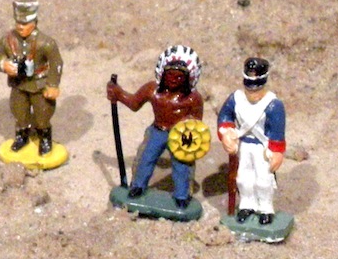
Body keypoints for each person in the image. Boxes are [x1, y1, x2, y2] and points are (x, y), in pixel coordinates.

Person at [106, 45, 205, 208]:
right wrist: (118, 93)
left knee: (182, 165)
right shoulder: (152, 90)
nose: (174, 79)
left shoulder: (193, 99)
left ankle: (182, 195)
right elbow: (134, 103)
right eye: (170, 75)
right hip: (158, 130)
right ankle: (138, 186)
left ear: (189, 78)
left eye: (179, 77)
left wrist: (188, 135)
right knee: (145, 158)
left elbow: (197, 123)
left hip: (180, 136)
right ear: (162, 73)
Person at [0, 0, 64, 155]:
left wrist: (53, 85)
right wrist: (3, 65)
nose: (20, 27)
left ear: (34, 22)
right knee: (19, 112)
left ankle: (44, 139)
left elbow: (57, 63)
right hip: (18, 85)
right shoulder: (7, 40)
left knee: (43, 114)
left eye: (25, 23)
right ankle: (22, 136)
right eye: (18, 23)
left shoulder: (46, 43)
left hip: (39, 85)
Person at [216, 57, 286, 225]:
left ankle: (265, 208)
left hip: (262, 148)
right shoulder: (236, 99)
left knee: (263, 178)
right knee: (243, 177)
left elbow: (277, 130)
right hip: (243, 145)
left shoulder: (273, 104)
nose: (253, 92)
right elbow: (225, 116)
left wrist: (277, 152)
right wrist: (226, 133)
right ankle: (247, 204)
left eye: (256, 88)